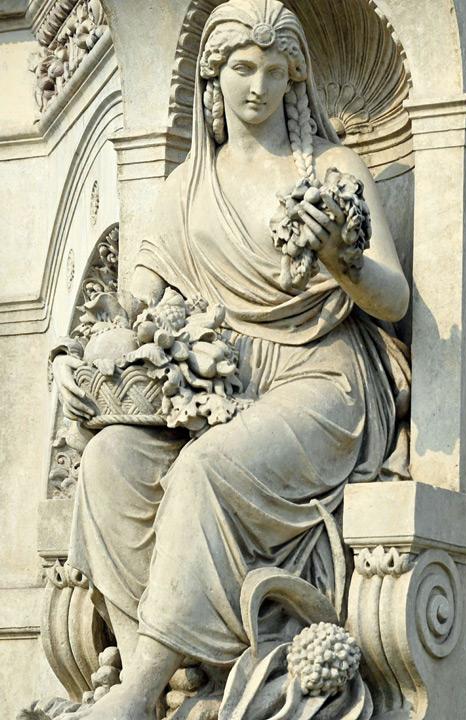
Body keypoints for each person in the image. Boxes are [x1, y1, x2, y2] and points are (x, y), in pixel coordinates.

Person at [47, 1, 409, 716]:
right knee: (109, 462)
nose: (258, 86)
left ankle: (141, 687)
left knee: (205, 468)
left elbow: (393, 299)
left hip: (323, 376)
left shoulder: (332, 167)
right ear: (213, 78)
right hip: (219, 382)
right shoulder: (187, 188)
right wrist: (81, 351)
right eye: (243, 68)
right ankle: (158, 671)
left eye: (275, 70)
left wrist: (345, 263)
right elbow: (134, 303)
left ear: (294, 78)